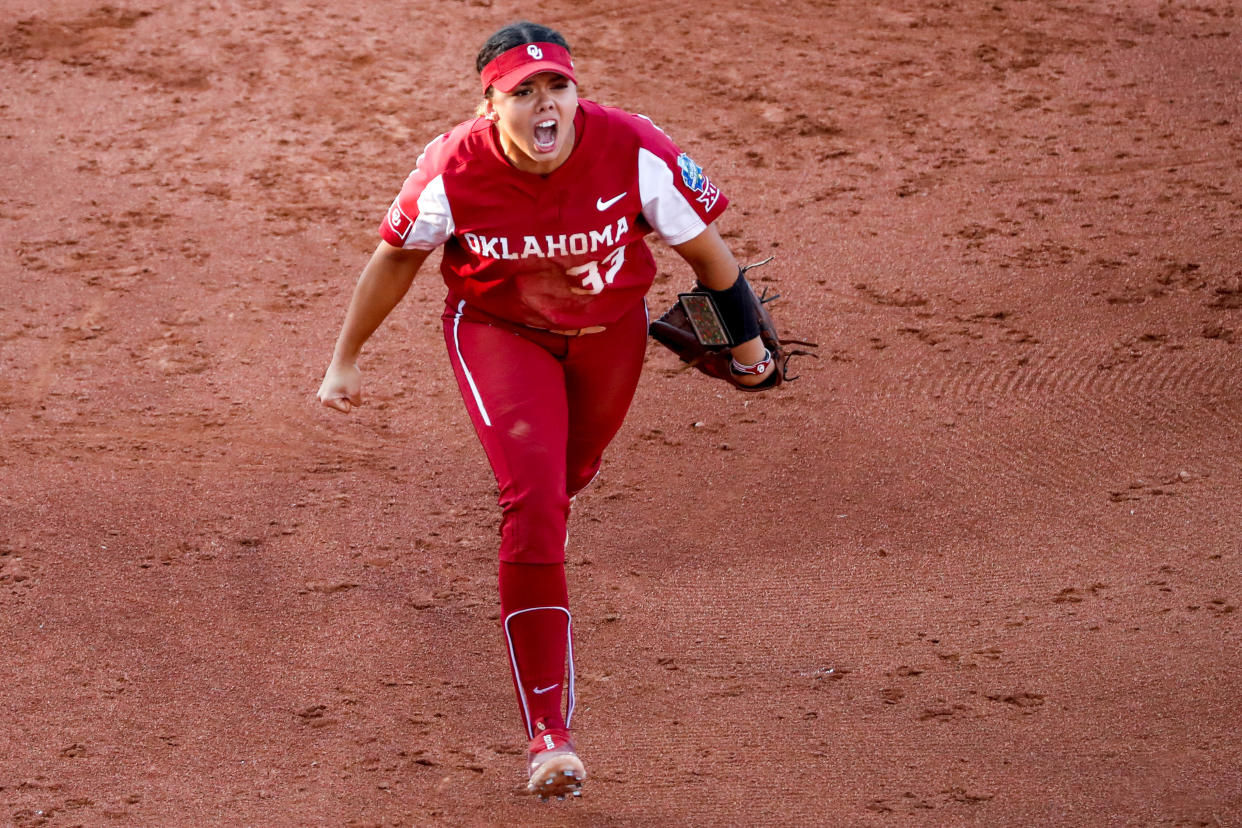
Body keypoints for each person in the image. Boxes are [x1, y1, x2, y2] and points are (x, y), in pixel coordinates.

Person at [316, 20, 771, 800]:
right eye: (521, 92)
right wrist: (344, 359)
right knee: (533, 505)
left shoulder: (633, 148)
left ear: (574, 90)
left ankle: (540, 560)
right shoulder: (451, 169)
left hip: (610, 336)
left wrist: (750, 347)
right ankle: (548, 735)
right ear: (489, 105)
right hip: (500, 333)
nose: (543, 103)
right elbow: (395, 258)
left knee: (570, 477)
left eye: (556, 85)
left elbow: (707, 254)